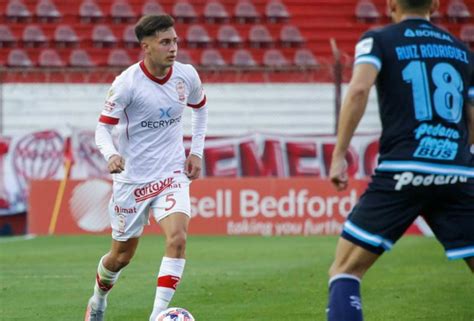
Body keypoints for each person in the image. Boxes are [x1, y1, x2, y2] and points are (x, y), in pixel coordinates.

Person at [327, 0, 474, 320]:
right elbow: (472, 119)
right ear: (435, 5)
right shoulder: (462, 51)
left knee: (345, 270)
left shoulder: (377, 40)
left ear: (390, 3)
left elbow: (357, 91)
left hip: (403, 170)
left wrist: (339, 154)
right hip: (456, 170)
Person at [84, 14, 208, 321]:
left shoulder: (186, 76)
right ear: (146, 47)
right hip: (132, 181)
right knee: (121, 257)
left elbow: (201, 109)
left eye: (175, 41)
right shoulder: (126, 84)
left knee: (177, 238)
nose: (173, 48)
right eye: (165, 42)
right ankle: (98, 299)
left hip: (171, 174)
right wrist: (111, 154)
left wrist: (197, 153)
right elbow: (102, 129)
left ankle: (157, 316)